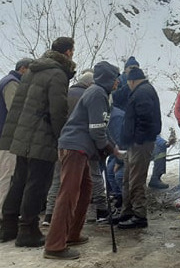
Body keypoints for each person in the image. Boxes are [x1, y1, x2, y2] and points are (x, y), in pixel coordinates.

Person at [0, 37, 75, 246]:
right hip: (42, 137)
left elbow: (17, 106)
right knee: (37, 184)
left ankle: (7, 226)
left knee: (19, 181)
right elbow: (58, 111)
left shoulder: (33, 70)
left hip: (22, 135)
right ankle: (28, 230)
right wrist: (63, 138)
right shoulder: (58, 74)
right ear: (68, 52)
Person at [43, 61, 120, 260]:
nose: (117, 83)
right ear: (107, 79)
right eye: (115, 79)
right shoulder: (97, 94)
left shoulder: (100, 93)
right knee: (68, 194)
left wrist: (111, 146)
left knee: (86, 190)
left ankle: (72, 234)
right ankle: (54, 245)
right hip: (74, 147)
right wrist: (106, 147)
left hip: (81, 148)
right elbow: (96, 129)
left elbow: (102, 126)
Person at [114, 67, 161, 229]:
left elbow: (145, 119)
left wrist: (138, 139)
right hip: (134, 143)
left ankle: (139, 215)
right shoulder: (143, 91)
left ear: (132, 81)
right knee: (128, 179)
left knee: (136, 180)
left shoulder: (142, 92)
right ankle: (127, 212)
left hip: (140, 144)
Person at [0, 58, 32, 217]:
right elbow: (15, 110)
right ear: (24, 69)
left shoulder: (6, 81)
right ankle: (2, 214)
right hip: (7, 137)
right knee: (7, 175)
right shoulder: (12, 83)